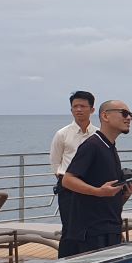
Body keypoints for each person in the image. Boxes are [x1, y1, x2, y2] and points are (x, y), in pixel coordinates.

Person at [59, 100, 132, 258]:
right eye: (124, 113)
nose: (129, 118)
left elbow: (106, 193)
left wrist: (124, 194)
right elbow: (67, 180)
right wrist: (98, 191)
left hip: (109, 229)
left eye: (131, 115)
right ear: (105, 116)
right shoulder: (92, 145)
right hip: (91, 233)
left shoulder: (109, 147)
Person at [49, 90, 97, 239]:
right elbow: (55, 161)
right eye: (75, 106)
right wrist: (63, 179)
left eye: (83, 106)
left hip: (91, 184)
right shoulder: (62, 134)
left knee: (91, 223)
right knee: (70, 226)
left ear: (92, 109)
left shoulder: (98, 134)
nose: (78, 110)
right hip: (68, 186)